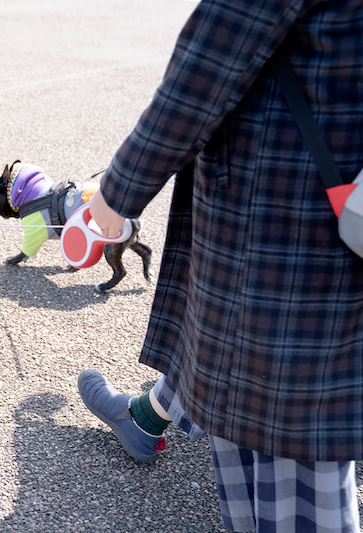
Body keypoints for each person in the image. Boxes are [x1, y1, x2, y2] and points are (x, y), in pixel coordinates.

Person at [77, 0, 363, 531]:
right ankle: (146, 415)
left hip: (289, 213)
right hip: (344, 202)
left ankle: (143, 418)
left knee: (279, 429)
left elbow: (212, 57)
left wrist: (117, 193)